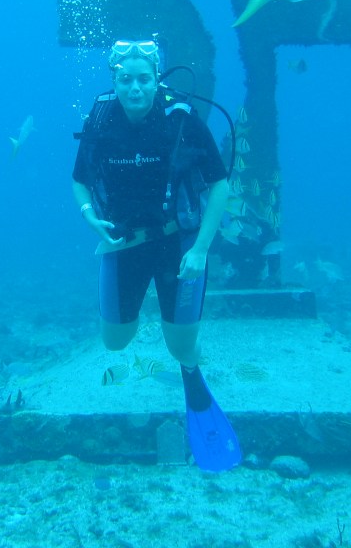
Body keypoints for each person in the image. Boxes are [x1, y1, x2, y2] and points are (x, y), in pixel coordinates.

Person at [71, 39, 241, 471]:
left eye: (143, 79)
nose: (134, 88)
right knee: (115, 342)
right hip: (122, 246)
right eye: (125, 79)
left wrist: (201, 249)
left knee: (181, 348)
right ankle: (144, 315)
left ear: (156, 80)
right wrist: (90, 216)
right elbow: (79, 180)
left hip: (177, 245)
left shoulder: (180, 120)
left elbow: (219, 186)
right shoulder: (101, 118)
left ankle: (190, 374)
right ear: (114, 80)